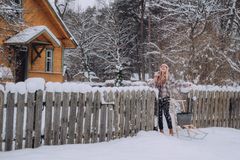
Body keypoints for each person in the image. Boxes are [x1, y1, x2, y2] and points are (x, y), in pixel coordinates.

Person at [154, 64, 173, 136]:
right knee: (159, 115)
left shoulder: (169, 76)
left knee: (166, 114)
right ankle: (161, 130)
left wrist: (186, 85)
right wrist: (155, 77)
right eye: (162, 67)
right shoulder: (157, 75)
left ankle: (170, 130)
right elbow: (154, 85)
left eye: (165, 67)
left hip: (166, 98)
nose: (163, 68)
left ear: (167, 68)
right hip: (159, 98)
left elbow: (173, 84)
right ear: (160, 68)